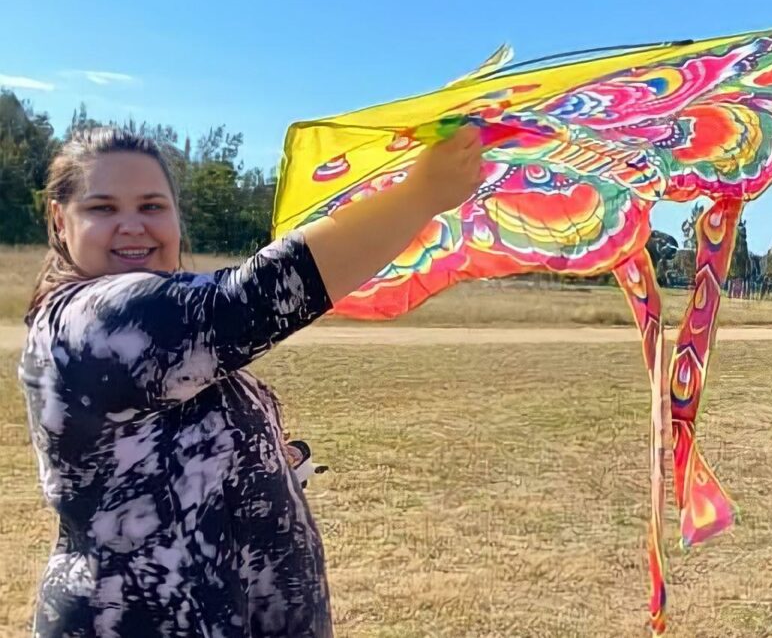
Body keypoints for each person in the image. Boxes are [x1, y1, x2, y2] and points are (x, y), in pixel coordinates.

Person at [18, 125, 484, 637]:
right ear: (61, 222)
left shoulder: (162, 322)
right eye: (103, 208)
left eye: (152, 207)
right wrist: (420, 194)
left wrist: (257, 463)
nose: (132, 226)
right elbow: (252, 300)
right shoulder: (86, 321)